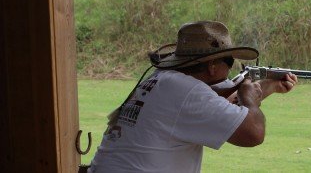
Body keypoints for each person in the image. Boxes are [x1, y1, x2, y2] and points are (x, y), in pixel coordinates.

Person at [88, 21, 297, 173]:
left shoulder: (164, 80)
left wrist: (267, 87)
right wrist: (248, 96)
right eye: (229, 62)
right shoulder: (186, 91)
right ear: (213, 66)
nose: (230, 71)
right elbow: (253, 133)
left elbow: (217, 109)